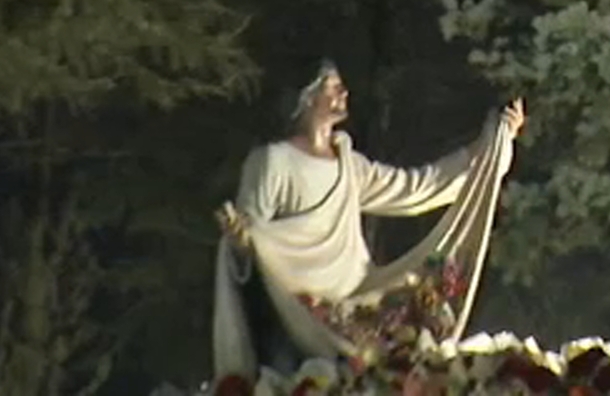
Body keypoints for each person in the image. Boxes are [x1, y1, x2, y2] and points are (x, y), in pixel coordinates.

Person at [211, 59, 525, 380]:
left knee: (412, 313)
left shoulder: (349, 165)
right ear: (307, 98)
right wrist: (242, 243)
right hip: (292, 314)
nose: (344, 92)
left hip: (353, 298)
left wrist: (489, 149)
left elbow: (418, 186)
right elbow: (252, 241)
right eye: (332, 86)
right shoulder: (273, 161)